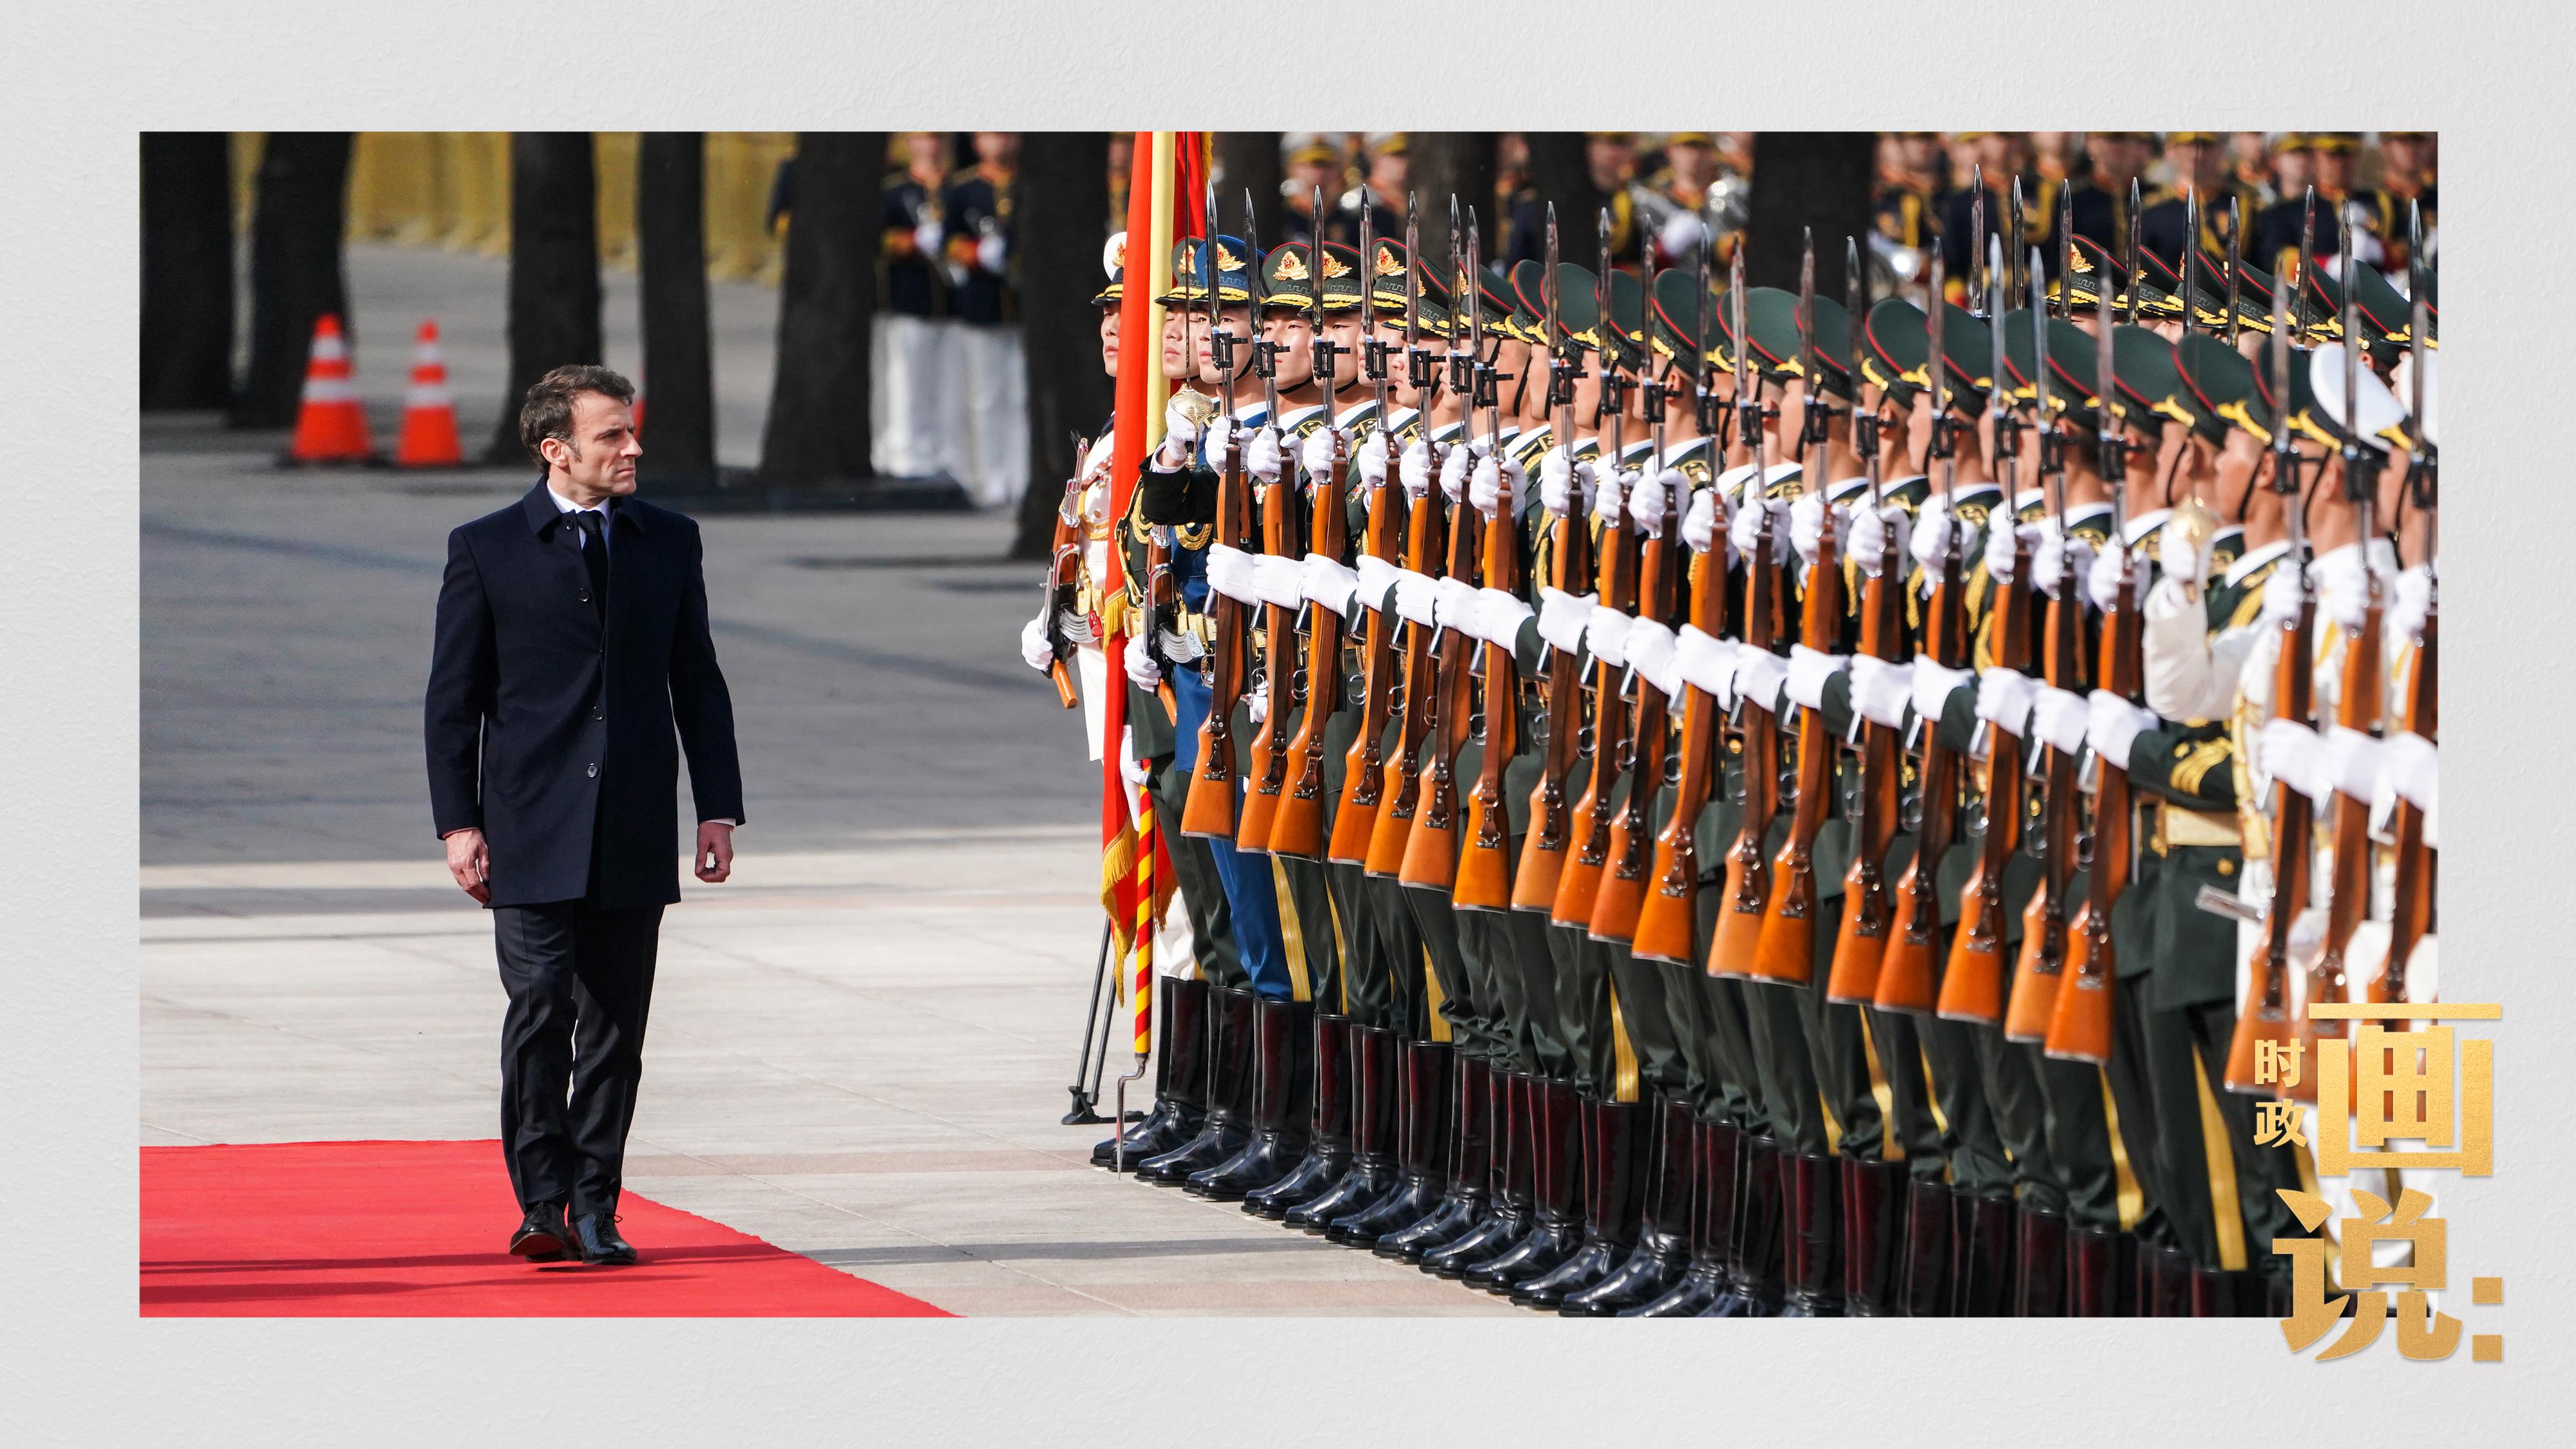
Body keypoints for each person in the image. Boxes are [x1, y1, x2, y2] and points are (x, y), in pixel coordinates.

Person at [426, 365, 744, 1267]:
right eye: (612, 435)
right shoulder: (485, 547)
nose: (633, 447)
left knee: (613, 1028)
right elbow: (452, 702)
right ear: (555, 450)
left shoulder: (669, 540)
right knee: (539, 1010)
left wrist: (717, 808)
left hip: (633, 821)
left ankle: (598, 1203)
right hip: (525, 824)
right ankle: (542, 1201)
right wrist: (458, 823)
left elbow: (697, 679)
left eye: (631, 430)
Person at [942, 131, 1030, 508]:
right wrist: (977, 253)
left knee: (1023, 396)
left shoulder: (1027, 185)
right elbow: (948, 240)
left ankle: (1022, 474)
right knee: (986, 397)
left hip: (1025, 307)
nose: (1001, 142)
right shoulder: (964, 189)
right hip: (982, 304)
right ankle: (991, 474)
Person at [876, 131, 956, 482]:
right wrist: (911, 242)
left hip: (951, 304)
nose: (932, 146)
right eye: (924, 137)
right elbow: (880, 238)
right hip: (909, 299)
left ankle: (943, 454)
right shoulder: (895, 191)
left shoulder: (955, 189)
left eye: (937, 138)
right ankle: (905, 453)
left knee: (948, 387)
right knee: (906, 383)